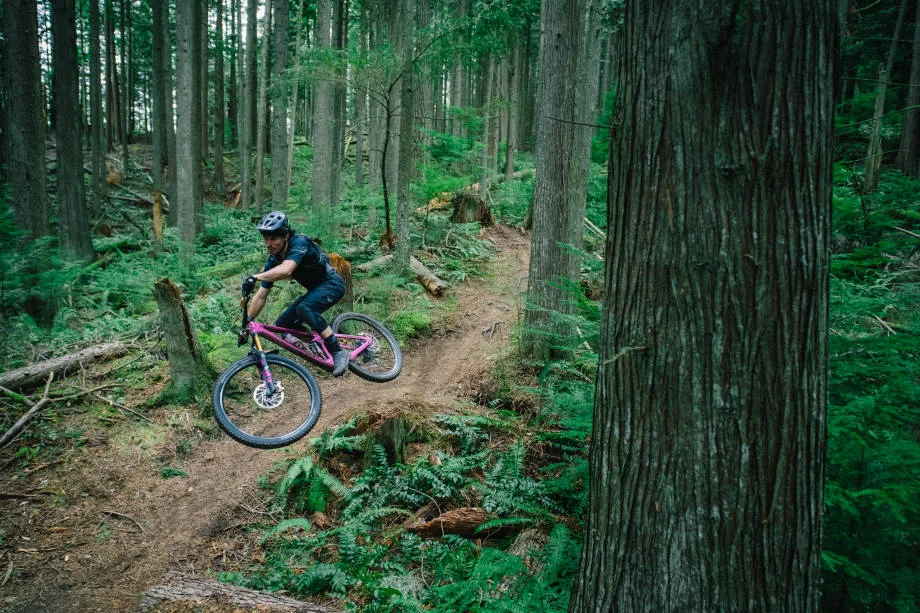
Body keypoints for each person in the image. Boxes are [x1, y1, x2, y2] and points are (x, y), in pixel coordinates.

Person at [242, 211, 350, 377]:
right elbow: (261, 295)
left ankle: (338, 351)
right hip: (315, 291)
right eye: (266, 239)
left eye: (273, 239)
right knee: (282, 324)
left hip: (332, 284)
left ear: (285, 235)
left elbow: (286, 270)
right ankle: (318, 342)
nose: (268, 244)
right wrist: (247, 322)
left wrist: (255, 276)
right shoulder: (273, 259)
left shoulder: (299, 242)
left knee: (304, 308)